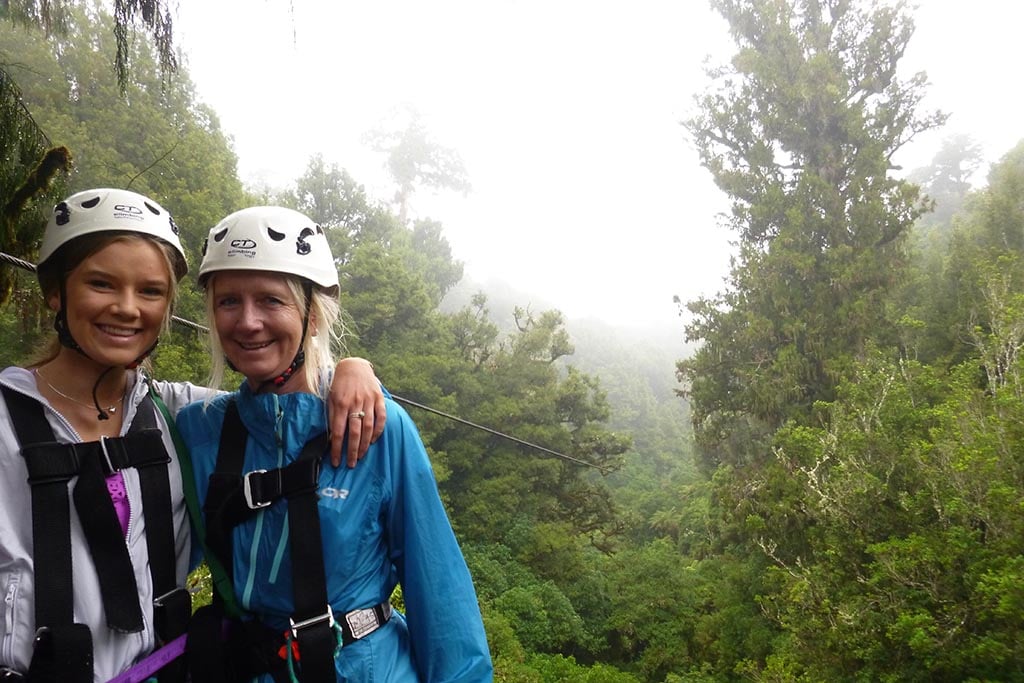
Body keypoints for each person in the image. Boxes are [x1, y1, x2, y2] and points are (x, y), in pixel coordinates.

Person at [0, 188, 385, 683]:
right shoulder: (9, 418)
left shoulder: (177, 414)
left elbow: (279, 401)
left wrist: (351, 370)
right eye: (101, 284)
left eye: (151, 291)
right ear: (56, 291)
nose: (126, 308)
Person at [178, 206, 493, 682]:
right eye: (228, 302)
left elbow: (439, 592)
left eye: (270, 300)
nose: (247, 321)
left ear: (313, 312)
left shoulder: (380, 429)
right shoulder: (201, 432)